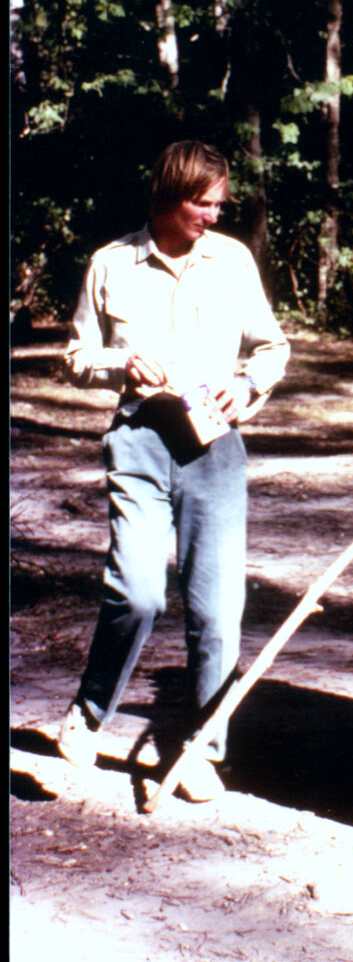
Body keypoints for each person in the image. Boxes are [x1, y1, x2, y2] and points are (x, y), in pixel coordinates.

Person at [57, 140, 290, 801]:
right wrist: (119, 365)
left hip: (213, 448)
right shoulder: (111, 264)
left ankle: (200, 748)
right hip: (139, 441)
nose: (214, 215)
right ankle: (89, 711)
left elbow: (272, 345)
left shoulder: (232, 262)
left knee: (217, 609)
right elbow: (77, 353)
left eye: (220, 204)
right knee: (138, 592)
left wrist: (248, 387)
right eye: (202, 203)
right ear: (168, 196)